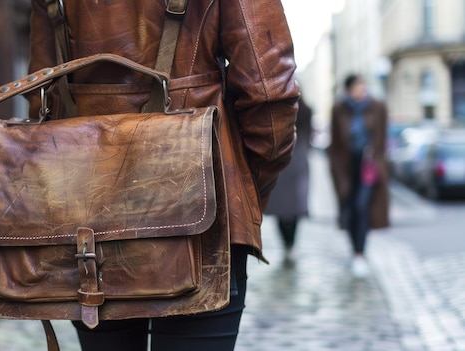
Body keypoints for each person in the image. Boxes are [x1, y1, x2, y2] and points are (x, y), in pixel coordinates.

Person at [27, 1, 299, 350]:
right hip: (204, 223)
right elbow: (270, 94)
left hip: (90, 223)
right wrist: (244, 191)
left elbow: (42, 103)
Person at [328, 74, 390, 278]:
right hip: (347, 167)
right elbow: (335, 143)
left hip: (369, 166)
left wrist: (379, 161)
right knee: (350, 209)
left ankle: (359, 254)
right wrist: (336, 169)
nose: (362, 90)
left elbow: (382, 138)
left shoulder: (377, 106)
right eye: (357, 87)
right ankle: (355, 249)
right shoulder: (339, 109)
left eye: (363, 86)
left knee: (362, 207)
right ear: (348, 89)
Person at [266, 97, 313, 267]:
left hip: (292, 162)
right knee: (286, 209)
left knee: (289, 209)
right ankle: (289, 245)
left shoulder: (301, 110)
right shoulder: (279, 108)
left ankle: (289, 244)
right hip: (286, 163)